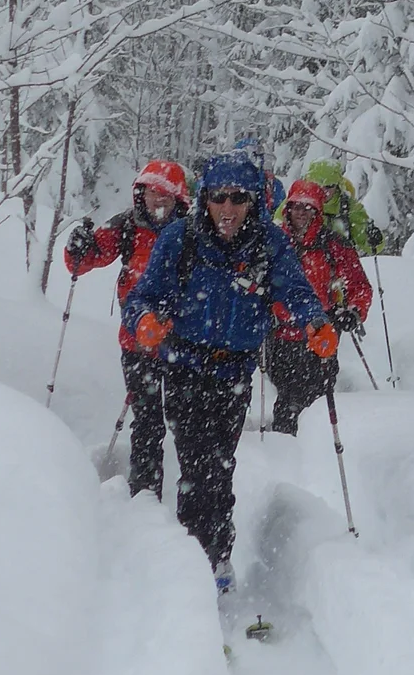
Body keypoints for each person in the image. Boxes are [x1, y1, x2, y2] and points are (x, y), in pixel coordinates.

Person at [124, 147, 333, 593]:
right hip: (184, 366)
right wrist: (144, 321)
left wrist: (315, 323)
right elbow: (141, 297)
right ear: (205, 199)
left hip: (235, 373)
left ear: (253, 201)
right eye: (219, 197)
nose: (228, 208)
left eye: (238, 198)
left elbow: (295, 291)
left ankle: (214, 556)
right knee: (198, 467)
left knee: (220, 468)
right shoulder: (181, 239)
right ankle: (198, 560)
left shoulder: (267, 244)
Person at [63, 157, 190, 498]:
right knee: (147, 421)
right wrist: (78, 249)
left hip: (183, 344)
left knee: (185, 420)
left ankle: (189, 492)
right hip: (137, 342)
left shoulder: (191, 233)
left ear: (178, 198)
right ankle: (145, 493)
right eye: (152, 193)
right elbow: (87, 260)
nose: (158, 200)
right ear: (141, 194)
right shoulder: (128, 226)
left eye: (165, 194)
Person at [264, 178, 373, 435]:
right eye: (296, 207)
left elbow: (359, 286)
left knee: (318, 399)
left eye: (307, 207)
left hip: (321, 335)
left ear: (318, 211)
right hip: (281, 336)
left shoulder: (333, 245)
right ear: (287, 208)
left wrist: (354, 312)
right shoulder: (275, 242)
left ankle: (314, 453)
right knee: (286, 396)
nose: (301, 213)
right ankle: (285, 449)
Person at [304, 159, 383, 254]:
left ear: (337, 185)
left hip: (339, 263)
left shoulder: (348, 207)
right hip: (304, 263)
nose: (323, 190)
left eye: (329, 186)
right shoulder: (297, 203)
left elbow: (370, 245)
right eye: (317, 185)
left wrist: (374, 238)